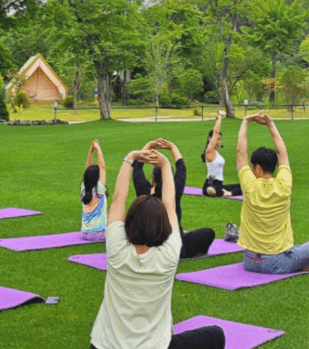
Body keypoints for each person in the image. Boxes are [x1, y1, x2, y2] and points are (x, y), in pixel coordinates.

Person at [90, 147, 225, 349]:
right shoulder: (169, 254)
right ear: (163, 226)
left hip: (103, 346)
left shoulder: (116, 247)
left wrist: (130, 158)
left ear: (130, 222)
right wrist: (164, 165)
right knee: (216, 336)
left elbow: (118, 199)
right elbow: (170, 205)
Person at [236, 112, 309, 274]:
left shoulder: (249, 185)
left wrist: (245, 122)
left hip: (250, 261)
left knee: (296, 249)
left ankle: (298, 262)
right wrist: (270, 124)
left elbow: (240, 152)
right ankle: (299, 264)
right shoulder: (283, 184)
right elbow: (283, 154)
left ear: (257, 168)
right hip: (276, 262)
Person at [134, 138, 215, 259]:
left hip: (150, 243)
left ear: (153, 178)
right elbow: (181, 167)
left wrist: (149, 145)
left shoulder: (144, 192)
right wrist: (172, 146)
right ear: (170, 178)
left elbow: (137, 168)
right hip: (174, 246)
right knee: (208, 233)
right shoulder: (174, 192)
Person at [202, 111, 242, 197]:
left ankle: (225, 192)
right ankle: (222, 192)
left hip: (219, 184)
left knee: (243, 186)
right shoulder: (209, 151)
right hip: (210, 183)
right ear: (210, 139)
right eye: (217, 139)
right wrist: (220, 117)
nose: (219, 141)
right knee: (211, 190)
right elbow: (216, 132)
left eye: (220, 139)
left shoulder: (216, 153)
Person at [80, 139, 107, 242]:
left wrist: (91, 151)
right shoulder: (99, 189)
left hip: (84, 233)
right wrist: (98, 148)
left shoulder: (84, 188)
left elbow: (87, 168)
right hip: (98, 234)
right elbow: (103, 167)